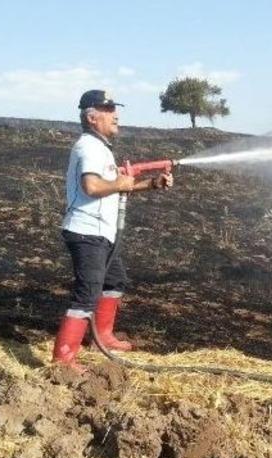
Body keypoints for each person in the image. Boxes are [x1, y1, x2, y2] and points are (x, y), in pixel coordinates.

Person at [53, 89, 173, 370]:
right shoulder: (89, 147)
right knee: (87, 293)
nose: (115, 114)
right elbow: (93, 187)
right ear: (92, 117)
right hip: (87, 232)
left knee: (114, 281)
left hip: (100, 232)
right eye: (107, 110)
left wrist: (151, 184)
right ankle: (63, 359)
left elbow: (114, 188)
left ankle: (102, 338)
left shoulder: (101, 148)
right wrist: (121, 183)